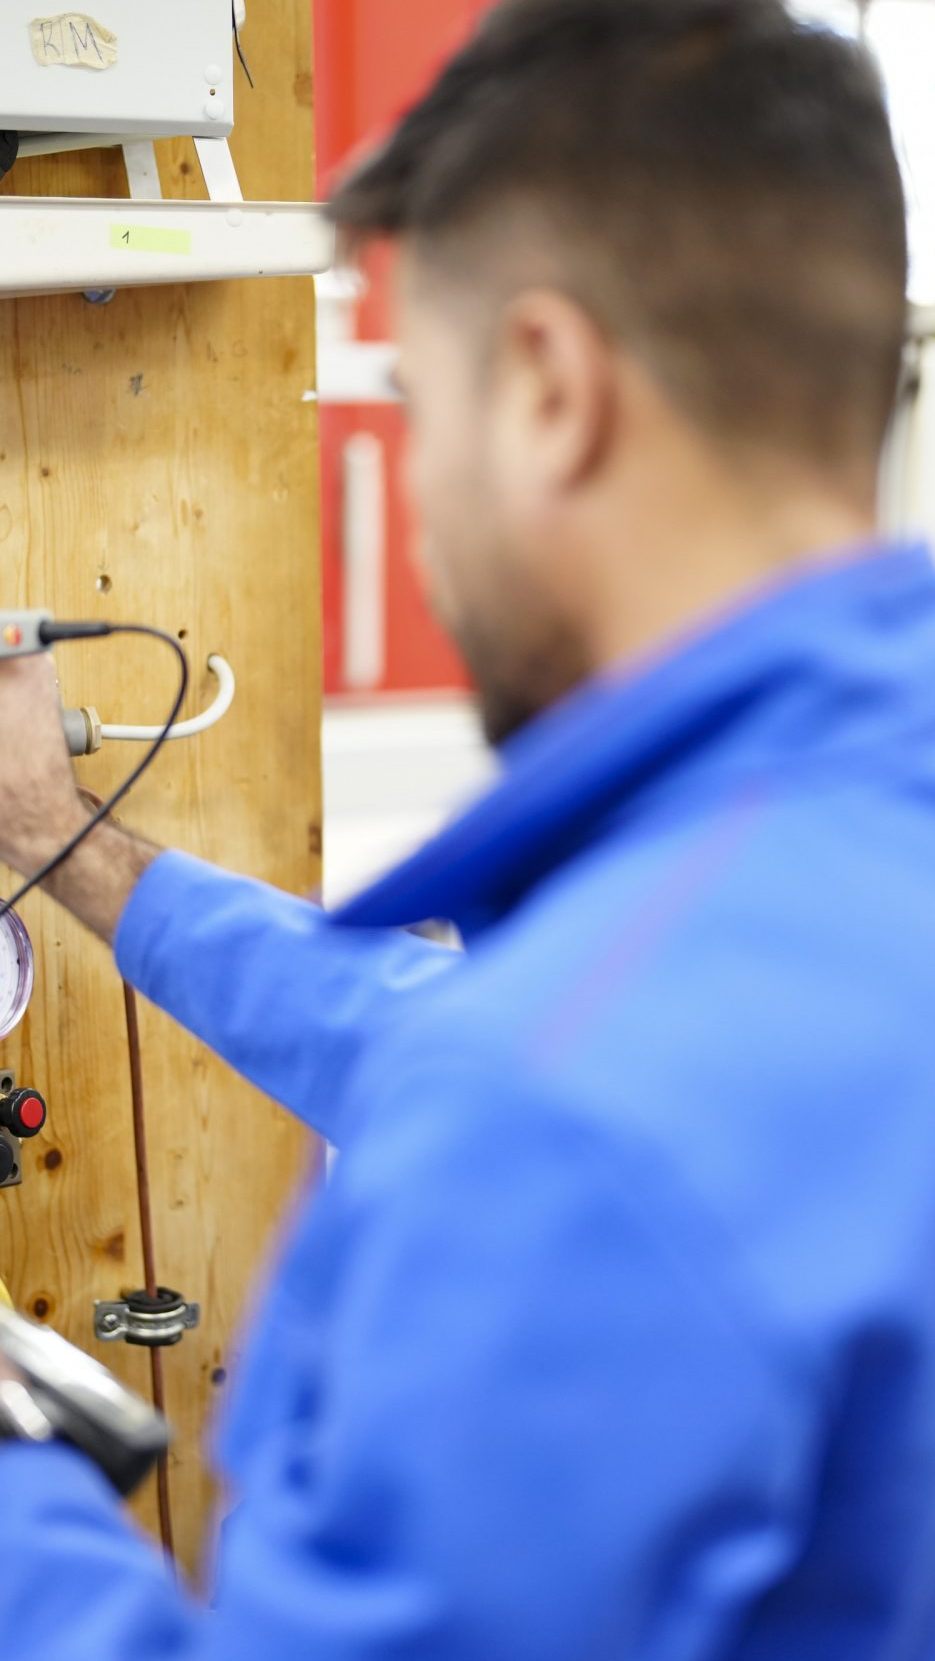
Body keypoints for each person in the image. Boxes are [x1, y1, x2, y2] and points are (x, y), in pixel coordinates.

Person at [0, 1, 926, 1655]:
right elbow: (420, 1026)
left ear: (551, 392)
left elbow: (534, 1086)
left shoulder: (569, 1108)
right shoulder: (823, 865)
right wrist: (66, 839)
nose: (415, 510)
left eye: (416, 404)